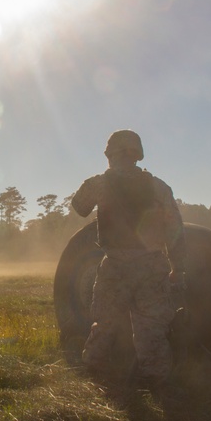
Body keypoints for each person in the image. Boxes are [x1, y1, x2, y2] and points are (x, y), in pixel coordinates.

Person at [71, 129, 187, 398]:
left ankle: (95, 377)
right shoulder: (158, 186)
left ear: (112, 153)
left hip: (116, 265)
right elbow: (175, 229)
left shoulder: (99, 183)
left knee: (104, 324)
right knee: (151, 330)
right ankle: (158, 383)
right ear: (137, 153)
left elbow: (79, 207)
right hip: (152, 266)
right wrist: (177, 267)